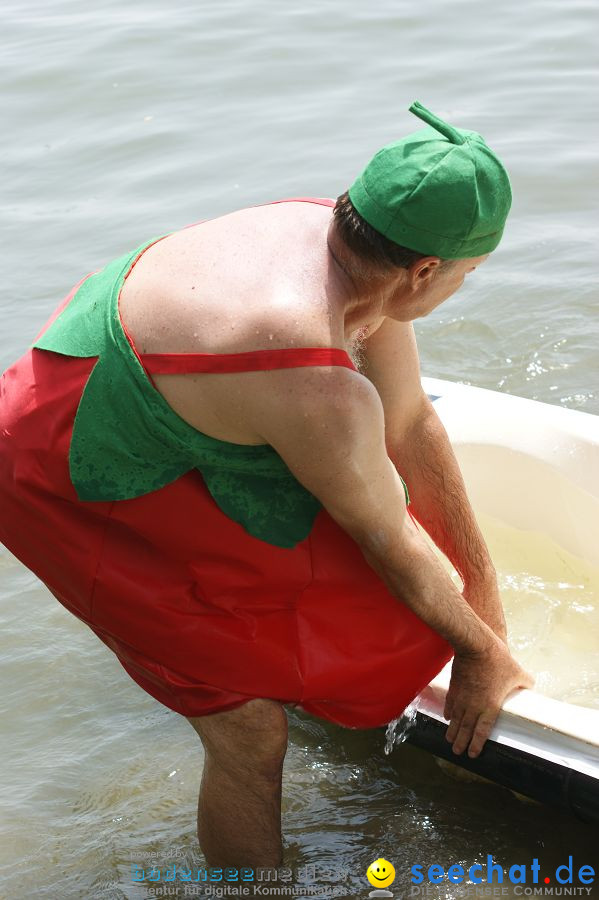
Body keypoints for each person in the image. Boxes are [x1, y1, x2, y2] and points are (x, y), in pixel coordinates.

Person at [0, 100, 534, 866]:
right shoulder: (310, 379)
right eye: (465, 276)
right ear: (424, 270)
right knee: (248, 726)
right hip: (53, 459)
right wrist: (476, 654)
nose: (459, 288)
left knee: (353, 599)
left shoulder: (344, 238)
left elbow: (410, 424)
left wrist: (488, 626)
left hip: (164, 395)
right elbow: (385, 536)